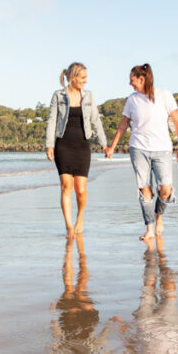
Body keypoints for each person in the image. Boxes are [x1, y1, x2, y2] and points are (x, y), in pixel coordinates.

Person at [105, 64, 178, 240]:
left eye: (132, 80)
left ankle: (159, 217)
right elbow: (123, 125)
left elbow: (177, 122)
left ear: (141, 79)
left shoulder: (164, 95)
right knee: (145, 189)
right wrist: (112, 147)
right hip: (138, 148)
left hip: (162, 149)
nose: (130, 83)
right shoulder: (132, 100)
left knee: (165, 190)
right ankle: (149, 228)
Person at [46, 62, 110, 235]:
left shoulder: (88, 96)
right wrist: (49, 145)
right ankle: (68, 226)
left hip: (82, 146)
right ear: (72, 77)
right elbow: (52, 120)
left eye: (86, 77)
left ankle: (80, 217)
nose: (85, 81)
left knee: (81, 190)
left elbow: (96, 120)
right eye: (83, 77)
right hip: (63, 145)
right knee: (66, 186)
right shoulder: (58, 95)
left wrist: (104, 143)